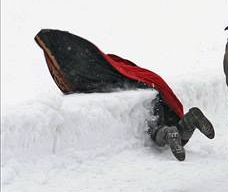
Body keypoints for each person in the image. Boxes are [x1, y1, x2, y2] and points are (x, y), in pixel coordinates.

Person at [34, 29, 215, 161]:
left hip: (150, 96)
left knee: (157, 132)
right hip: (155, 88)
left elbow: (97, 79)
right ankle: (191, 118)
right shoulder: (125, 68)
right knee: (178, 131)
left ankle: (168, 133)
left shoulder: (110, 72)